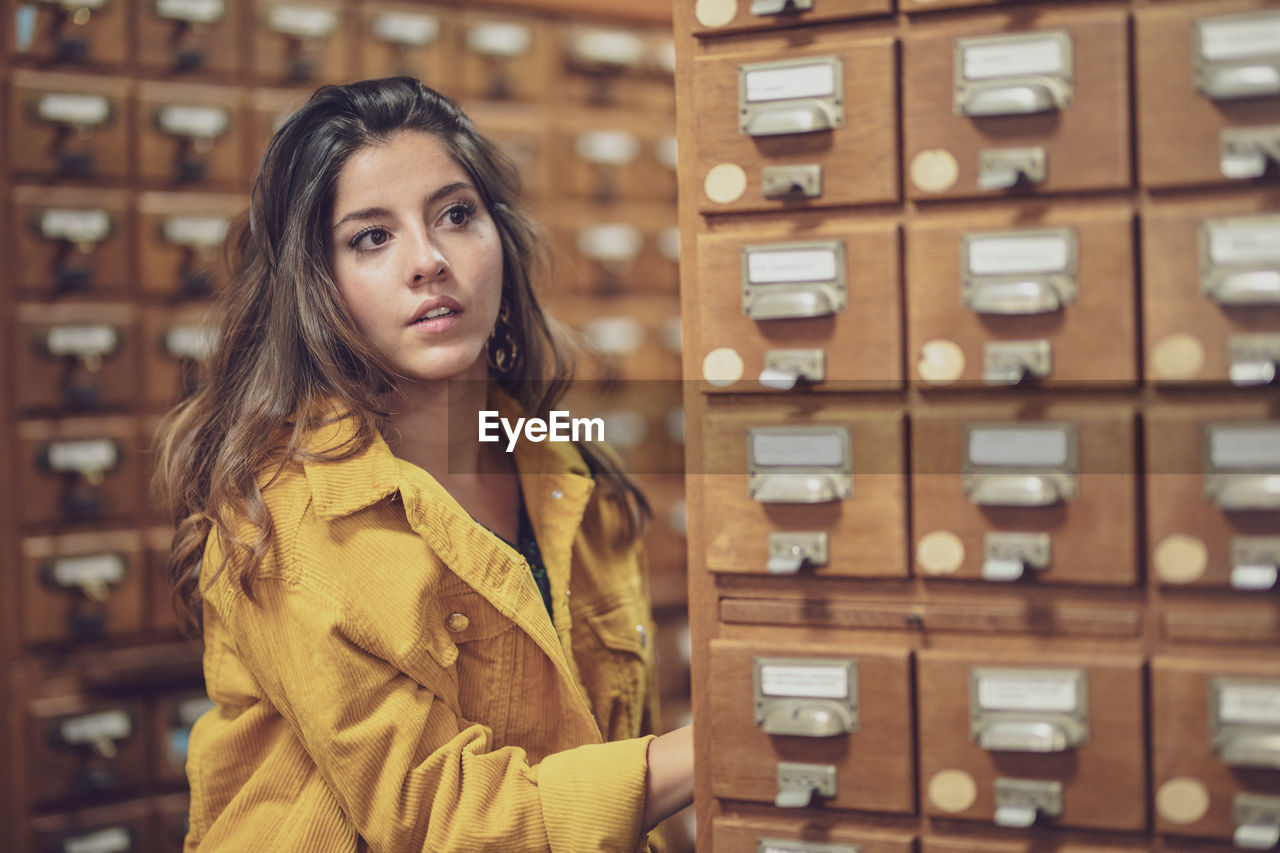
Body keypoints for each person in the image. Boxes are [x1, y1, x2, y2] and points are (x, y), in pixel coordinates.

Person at [151, 77, 693, 852]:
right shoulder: (286, 521)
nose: (429, 260)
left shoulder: (567, 472)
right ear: (318, 288)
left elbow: (623, 757)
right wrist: (716, 748)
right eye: (372, 237)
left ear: (498, 238)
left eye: (455, 215)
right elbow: (445, 820)